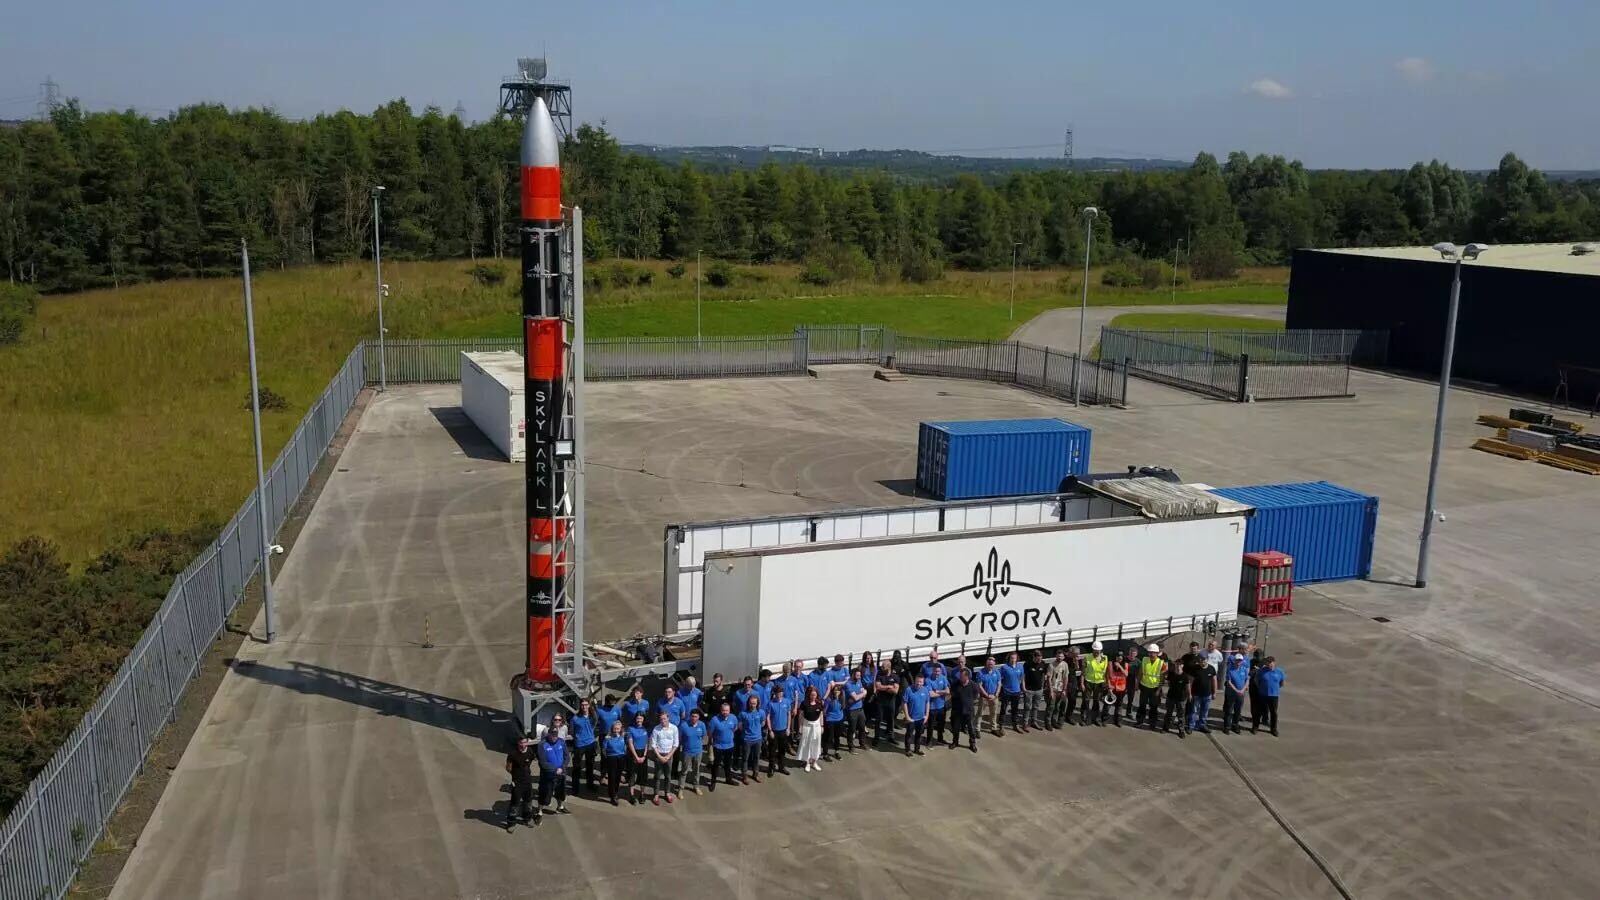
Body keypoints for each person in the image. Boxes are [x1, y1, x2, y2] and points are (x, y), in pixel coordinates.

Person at [535, 720, 570, 821]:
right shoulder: (542, 744)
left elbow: (566, 756)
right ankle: (539, 811)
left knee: (561, 792)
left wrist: (562, 768)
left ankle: (560, 807)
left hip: (561, 773)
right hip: (548, 775)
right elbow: (542, 762)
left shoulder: (561, 742)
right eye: (552, 734)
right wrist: (555, 769)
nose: (554, 736)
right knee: (545, 793)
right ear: (548, 734)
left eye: (556, 734)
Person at [504, 735, 537, 830]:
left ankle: (526, 819)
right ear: (518, 743)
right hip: (517, 783)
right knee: (515, 804)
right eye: (521, 743)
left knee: (528, 802)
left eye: (524, 742)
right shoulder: (513, 754)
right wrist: (514, 776)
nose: (523, 745)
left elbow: (531, 759)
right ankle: (511, 823)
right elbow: (508, 768)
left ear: (527, 742)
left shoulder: (530, 751)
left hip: (527, 782)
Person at [569, 698, 599, 795]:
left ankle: (590, 784)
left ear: (589, 705)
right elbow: (572, 731)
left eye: (586, 704)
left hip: (590, 743)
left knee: (590, 766)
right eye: (582, 705)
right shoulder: (575, 718)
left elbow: (595, 723)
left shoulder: (592, 716)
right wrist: (578, 738)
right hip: (579, 745)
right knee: (577, 767)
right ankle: (575, 788)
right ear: (580, 706)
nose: (584, 707)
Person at [649, 711, 680, 804]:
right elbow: (653, 744)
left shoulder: (674, 728)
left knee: (668, 776)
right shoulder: (656, 729)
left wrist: (668, 756)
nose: (663, 721)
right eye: (661, 719)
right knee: (657, 776)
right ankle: (656, 794)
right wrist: (659, 756)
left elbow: (676, 743)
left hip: (669, 755)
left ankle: (667, 793)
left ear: (668, 718)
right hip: (659, 755)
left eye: (664, 719)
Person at [707, 701, 739, 789]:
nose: (725, 712)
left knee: (728, 764)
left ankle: (728, 779)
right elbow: (710, 733)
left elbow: (735, 728)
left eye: (727, 710)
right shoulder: (714, 720)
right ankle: (713, 781)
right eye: (723, 710)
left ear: (729, 711)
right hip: (718, 746)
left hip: (729, 746)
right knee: (716, 765)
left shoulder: (733, 718)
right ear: (720, 710)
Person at [1185, 651, 1217, 734]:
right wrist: (1189, 694)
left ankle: (1202, 726)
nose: (1201, 661)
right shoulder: (1194, 668)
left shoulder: (1211, 668)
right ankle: (1191, 726)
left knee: (1204, 711)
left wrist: (1214, 692)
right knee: (1193, 711)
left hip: (1207, 695)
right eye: (1200, 659)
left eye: (1203, 659)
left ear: (1207, 659)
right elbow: (1190, 682)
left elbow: (1214, 681)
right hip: (1196, 695)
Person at [949, 667, 980, 752]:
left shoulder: (973, 685)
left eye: (962, 676)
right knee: (956, 728)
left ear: (967, 677)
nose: (960, 678)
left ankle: (972, 744)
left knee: (971, 729)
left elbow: (976, 695)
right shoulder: (955, 684)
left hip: (969, 711)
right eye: (960, 676)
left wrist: (968, 702)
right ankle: (955, 742)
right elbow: (952, 694)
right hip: (957, 711)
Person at [677, 708, 707, 794]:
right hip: (687, 752)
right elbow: (680, 738)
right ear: (690, 716)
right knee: (684, 771)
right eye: (692, 716)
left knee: (696, 770)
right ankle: (681, 788)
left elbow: (704, 736)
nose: (694, 718)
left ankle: (696, 786)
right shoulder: (684, 725)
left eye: (696, 717)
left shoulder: (702, 725)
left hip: (698, 752)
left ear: (699, 717)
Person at [1252, 656, 1285, 735]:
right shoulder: (1261, 671)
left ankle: (1273, 729)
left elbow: (1281, 683)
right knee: (1258, 712)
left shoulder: (1279, 672)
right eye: (1267, 663)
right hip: (1262, 695)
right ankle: (1255, 727)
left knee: (1273, 712)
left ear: (1274, 662)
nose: (1269, 664)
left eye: (1270, 663)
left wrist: (1275, 689)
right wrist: (1261, 688)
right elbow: (1256, 681)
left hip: (1274, 696)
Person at [738, 695, 767, 784]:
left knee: (756, 757)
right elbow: (739, 726)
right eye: (751, 703)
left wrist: (756, 730)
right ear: (748, 703)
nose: (752, 705)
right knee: (745, 759)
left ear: (757, 703)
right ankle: (744, 776)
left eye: (754, 703)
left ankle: (755, 774)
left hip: (758, 739)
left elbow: (763, 722)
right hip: (747, 739)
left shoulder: (761, 712)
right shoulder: (743, 713)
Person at [1136, 644, 1166, 729]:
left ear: (1157, 653)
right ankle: (1139, 722)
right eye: (1150, 653)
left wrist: (1158, 690)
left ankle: (1152, 723)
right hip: (1144, 686)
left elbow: (1162, 679)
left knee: (1153, 707)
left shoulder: (1161, 663)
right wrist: (1137, 684)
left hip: (1155, 689)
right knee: (1142, 705)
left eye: (1153, 653)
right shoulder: (1144, 660)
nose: (1151, 654)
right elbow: (1140, 673)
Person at [797, 686, 826, 771]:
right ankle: (807, 763)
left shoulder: (820, 703)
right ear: (809, 695)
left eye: (815, 695)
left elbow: (821, 715)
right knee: (807, 744)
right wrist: (800, 727)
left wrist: (822, 726)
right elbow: (800, 716)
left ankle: (814, 762)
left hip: (817, 726)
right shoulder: (804, 703)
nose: (813, 696)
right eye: (812, 695)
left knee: (816, 744)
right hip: (807, 726)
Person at [1161, 651, 1190, 738]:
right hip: (1171, 697)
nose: (1178, 666)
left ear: (1182, 666)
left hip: (1181, 698)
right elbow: (1167, 680)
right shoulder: (1171, 674)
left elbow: (1188, 687)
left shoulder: (1185, 676)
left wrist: (1189, 696)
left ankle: (1181, 730)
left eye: (1179, 664)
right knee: (1168, 713)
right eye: (1176, 664)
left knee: (1181, 715)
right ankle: (1165, 727)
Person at [902, 673, 931, 756]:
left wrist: (927, 715)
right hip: (911, 718)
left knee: (919, 735)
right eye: (917, 681)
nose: (919, 683)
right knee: (909, 735)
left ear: (923, 682)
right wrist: (907, 716)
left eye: (921, 682)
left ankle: (917, 749)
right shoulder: (908, 690)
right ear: (915, 681)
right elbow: (904, 703)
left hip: (921, 718)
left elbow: (927, 702)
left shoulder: (925, 690)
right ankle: (908, 750)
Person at [765, 685, 792, 775]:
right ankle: (771, 768)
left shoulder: (787, 702)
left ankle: (781, 767)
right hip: (774, 731)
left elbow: (789, 715)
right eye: (777, 693)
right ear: (774, 693)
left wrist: (788, 728)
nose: (779, 694)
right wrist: (770, 730)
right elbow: (768, 717)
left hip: (783, 730)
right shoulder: (770, 703)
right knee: (772, 751)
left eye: (781, 692)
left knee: (782, 750)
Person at [1082, 642, 1110, 726]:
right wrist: (1082, 683)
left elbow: (1106, 672)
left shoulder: (1104, 658)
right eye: (1095, 650)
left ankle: (1095, 718)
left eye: (1098, 651)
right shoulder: (1087, 658)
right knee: (1086, 700)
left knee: (1096, 701)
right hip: (1089, 681)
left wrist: (1107, 683)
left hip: (1099, 683)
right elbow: (1083, 672)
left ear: (1101, 650)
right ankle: (1085, 718)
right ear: (1092, 649)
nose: (1096, 652)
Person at [1221, 651, 1250, 734]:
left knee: (1238, 711)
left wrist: (1243, 690)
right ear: (1234, 660)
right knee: (1229, 711)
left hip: (1241, 694)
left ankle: (1235, 725)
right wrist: (1237, 690)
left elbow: (1247, 680)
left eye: (1240, 660)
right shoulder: (1230, 670)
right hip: (1231, 694)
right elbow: (1229, 682)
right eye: (1237, 660)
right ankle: (1227, 726)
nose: (1238, 662)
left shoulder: (1244, 669)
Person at [625, 713, 651, 803]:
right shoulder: (630, 729)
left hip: (643, 753)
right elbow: (630, 743)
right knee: (632, 774)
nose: (639, 720)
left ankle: (642, 794)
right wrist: (636, 756)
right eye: (637, 718)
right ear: (635, 719)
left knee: (643, 775)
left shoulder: (646, 729)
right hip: (633, 753)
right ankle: (631, 795)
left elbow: (647, 743)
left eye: (641, 718)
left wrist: (644, 756)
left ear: (643, 719)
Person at [601, 721, 628, 806]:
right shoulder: (608, 737)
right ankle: (613, 796)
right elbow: (603, 749)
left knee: (618, 777)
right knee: (612, 777)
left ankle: (615, 792)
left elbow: (626, 747)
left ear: (620, 729)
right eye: (615, 728)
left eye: (618, 729)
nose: (616, 730)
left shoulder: (623, 736)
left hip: (621, 758)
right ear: (612, 729)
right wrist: (608, 757)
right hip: (611, 758)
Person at [873, 660, 899, 745]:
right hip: (880, 702)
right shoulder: (879, 674)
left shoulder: (895, 676)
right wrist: (888, 687)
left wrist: (883, 688)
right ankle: (876, 738)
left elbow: (895, 691)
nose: (881, 668)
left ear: (888, 667)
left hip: (891, 702)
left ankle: (891, 737)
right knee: (878, 720)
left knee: (891, 720)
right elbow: (878, 687)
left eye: (883, 667)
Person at [784, 660, 809, 750]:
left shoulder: (805, 678)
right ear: (793, 667)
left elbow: (806, 690)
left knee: (800, 724)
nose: (798, 668)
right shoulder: (790, 677)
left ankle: (799, 743)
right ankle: (790, 743)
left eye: (799, 666)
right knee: (791, 724)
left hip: (801, 704)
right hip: (793, 704)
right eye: (796, 666)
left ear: (802, 667)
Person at [999, 652, 1026, 733]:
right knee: (1003, 709)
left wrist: (1023, 688)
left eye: (1015, 658)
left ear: (1017, 658)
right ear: (1009, 658)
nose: (1013, 659)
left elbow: (1022, 678)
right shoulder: (1004, 667)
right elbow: (999, 679)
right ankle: (1001, 726)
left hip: (1017, 692)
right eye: (1012, 658)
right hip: (1006, 692)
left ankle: (1015, 725)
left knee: (1015, 710)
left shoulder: (1020, 666)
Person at [1022, 649, 1049, 731]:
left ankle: (1034, 722)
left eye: (1041, 657)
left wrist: (1043, 686)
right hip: (1029, 690)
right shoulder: (1027, 664)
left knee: (1036, 707)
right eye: (1038, 658)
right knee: (1027, 707)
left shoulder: (1043, 663)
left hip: (1039, 690)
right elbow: (1023, 676)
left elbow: (1044, 674)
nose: (1039, 660)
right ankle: (1025, 723)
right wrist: (1024, 688)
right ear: (1034, 657)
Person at [844, 668, 869, 752]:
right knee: (852, 729)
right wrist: (863, 693)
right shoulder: (848, 684)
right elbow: (855, 697)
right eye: (857, 675)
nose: (859, 677)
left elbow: (862, 692)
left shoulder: (859, 682)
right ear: (853, 674)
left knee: (862, 727)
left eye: (860, 676)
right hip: (852, 710)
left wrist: (862, 694)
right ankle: (851, 746)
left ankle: (862, 744)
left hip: (860, 709)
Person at [976, 657, 1003, 736]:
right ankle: (977, 729)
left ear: (994, 664)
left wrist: (996, 694)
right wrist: (987, 695)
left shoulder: (997, 672)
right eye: (989, 663)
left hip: (994, 696)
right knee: (980, 713)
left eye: (992, 663)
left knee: (993, 713)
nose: (990, 665)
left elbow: (999, 684)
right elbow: (980, 686)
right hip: (984, 696)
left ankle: (993, 728)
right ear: (986, 663)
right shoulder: (981, 673)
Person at [926, 662, 950, 745]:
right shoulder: (928, 680)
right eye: (935, 671)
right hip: (932, 707)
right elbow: (931, 694)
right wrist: (942, 693)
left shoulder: (943, 678)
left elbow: (948, 691)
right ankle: (929, 741)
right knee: (931, 726)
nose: (937, 673)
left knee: (941, 725)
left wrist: (938, 691)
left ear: (941, 671)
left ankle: (940, 739)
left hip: (942, 706)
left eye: (938, 671)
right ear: (933, 670)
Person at [1046, 650, 1071, 729]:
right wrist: (1051, 691)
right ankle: (1048, 722)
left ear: (1064, 657)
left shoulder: (1065, 665)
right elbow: (1049, 679)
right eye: (1058, 656)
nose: (1060, 658)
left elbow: (1066, 677)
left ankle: (1054, 721)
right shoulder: (1051, 665)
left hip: (1061, 689)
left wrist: (1064, 689)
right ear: (1056, 656)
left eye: (1061, 656)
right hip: (1053, 689)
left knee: (1058, 707)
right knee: (1051, 707)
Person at [822, 680, 846, 759]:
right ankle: (825, 753)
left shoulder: (841, 699)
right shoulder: (829, 700)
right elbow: (824, 712)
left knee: (837, 737)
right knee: (828, 737)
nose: (837, 692)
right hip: (830, 720)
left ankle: (837, 751)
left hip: (839, 720)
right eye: (835, 690)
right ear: (832, 691)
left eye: (838, 690)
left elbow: (842, 709)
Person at [1108, 649, 1132, 727]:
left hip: (1121, 688)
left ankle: (1117, 721)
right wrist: (1109, 687)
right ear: (1115, 657)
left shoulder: (1125, 664)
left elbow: (1126, 674)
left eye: (1121, 657)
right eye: (1118, 657)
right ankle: (1104, 719)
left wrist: (1120, 667)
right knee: (1108, 704)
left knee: (1119, 705)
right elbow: (1107, 676)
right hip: (1112, 687)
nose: (1119, 658)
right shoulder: (1110, 663)